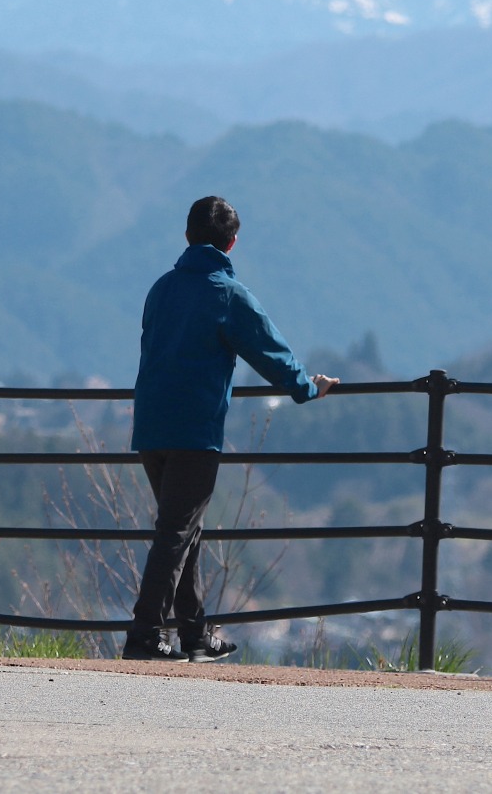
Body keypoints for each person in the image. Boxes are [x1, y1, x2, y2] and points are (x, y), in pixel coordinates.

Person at [122, 195, 338, 662]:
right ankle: (144, 634)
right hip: (194, 432)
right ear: (232, 243)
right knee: (176, 532)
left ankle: (195, 634)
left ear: (187, 235)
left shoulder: (161, 288)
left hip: (151, 426)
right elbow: (270, 351)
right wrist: (307, 387)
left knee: (184, 529)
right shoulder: (228, 295)